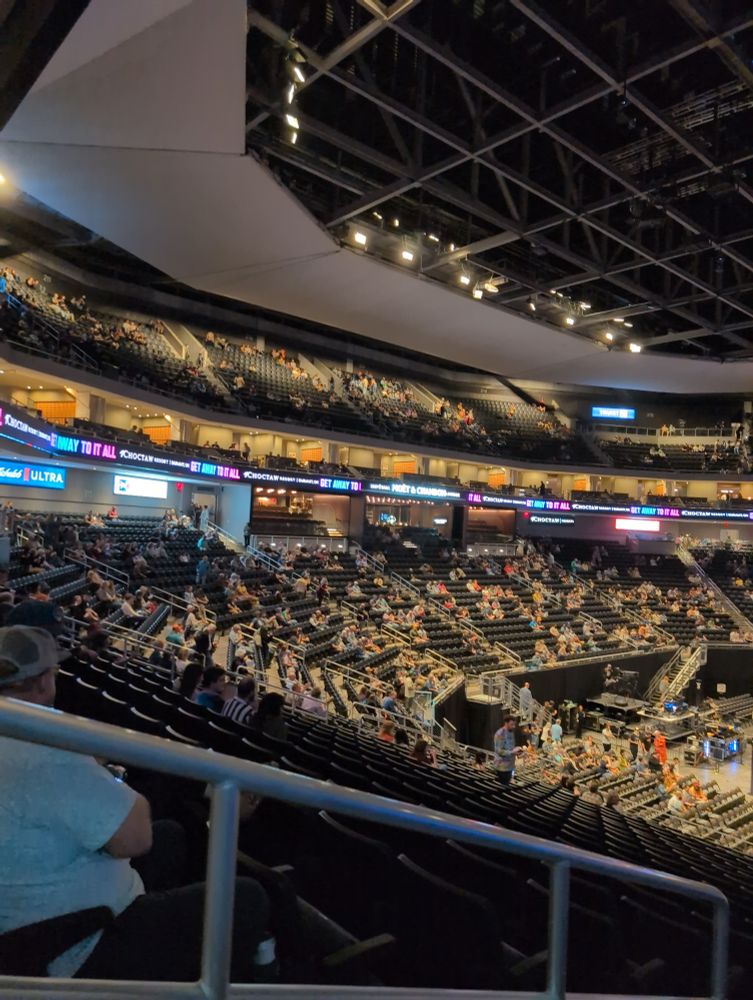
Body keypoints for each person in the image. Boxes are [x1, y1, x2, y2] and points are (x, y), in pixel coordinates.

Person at [0, 625, 272, 982]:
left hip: (33, 910)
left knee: (172, 835)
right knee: (250, 898)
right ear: (40, 682)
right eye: (53, 672)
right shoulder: (43, 748)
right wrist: (106, 773)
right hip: (77, 943)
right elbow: (136, 838)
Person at [493, 716, 520, 786]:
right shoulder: (500, 733)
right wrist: (512, 752)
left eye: (514, 724)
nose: (514, 726)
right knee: (503, 788)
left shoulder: (511, 732)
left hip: (510, 766)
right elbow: (498, 751)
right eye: (512, 724)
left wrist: (517, 752)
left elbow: (510, 748)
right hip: (502, 768)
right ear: (506, 723)